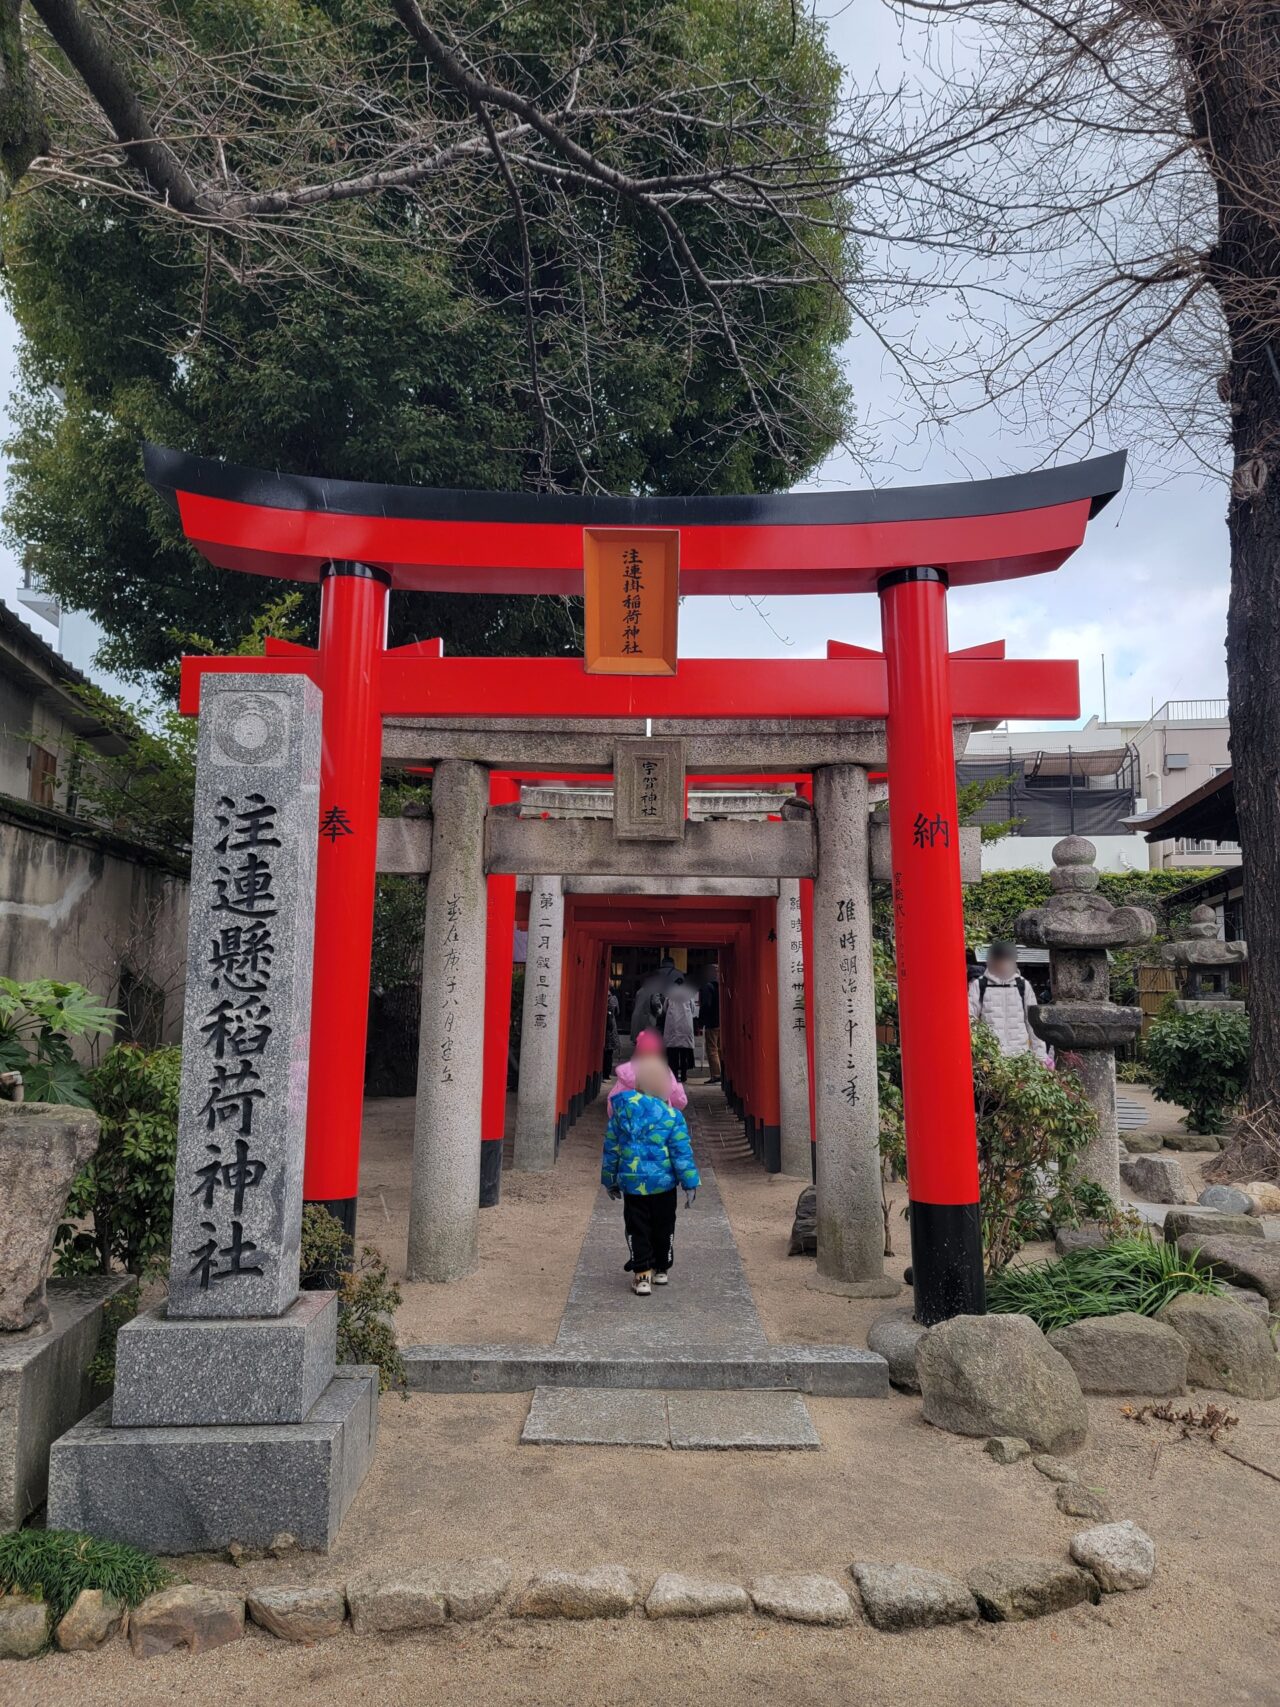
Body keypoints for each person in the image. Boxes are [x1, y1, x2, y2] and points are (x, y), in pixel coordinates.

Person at [602, 1052, 700, 1296]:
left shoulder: (621, 1113)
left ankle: (641, 1273)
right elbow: (681, 1154)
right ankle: (661, 1269)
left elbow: (611, 1150)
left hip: (634, 1185)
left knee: (637, 1226)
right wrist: (690, 1183)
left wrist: (609, 1179)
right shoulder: (672, 1117)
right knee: (664, 1225)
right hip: (664, 1184)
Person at [969, 940, 1048, 1062]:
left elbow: (1033, 1022)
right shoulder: (979, 985)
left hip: (1020, 1056)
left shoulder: (1023, 985)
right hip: (990, 1058)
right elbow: (970, 1020)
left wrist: (1040, 1056)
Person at [608, 1029, 688, 1111]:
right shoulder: (664, 1070)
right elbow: (679, 1100)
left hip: (631, 1120)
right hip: (661, 1119)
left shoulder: (626, 1071)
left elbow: (613, 1102)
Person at [658, 972, 698, 1084]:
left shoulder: (670, 993)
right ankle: (684, 1075)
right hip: (686, 1026)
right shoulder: (689, 993)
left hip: (672, 1027)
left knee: (673, 1053)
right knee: (684, 1052)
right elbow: (693, 1008)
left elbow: (665, 1008)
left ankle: (674, 1075)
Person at [629, 955, 678, 1042]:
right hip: (647, 1022)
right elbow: (656, 1004)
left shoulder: (640, 991)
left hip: (636, 1022)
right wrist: (661, 1012)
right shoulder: (654, 990)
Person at [699, 963, 722, 1083]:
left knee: (712, 1048)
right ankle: (722, 1072)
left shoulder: (708, 986)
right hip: (721, 1020)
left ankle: (716, 1074)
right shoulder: (721, 985)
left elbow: (706, 1005)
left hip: (711, 1021)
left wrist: (701, 1019)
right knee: (719, 1048)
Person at [603, 987, 620, 1078]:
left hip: (605, 1028)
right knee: (609, 1052)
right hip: (610, 1028)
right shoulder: (613, 998)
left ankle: (605, 1073)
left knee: (606, 1052)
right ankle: (606, 1074)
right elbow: (617, 1012)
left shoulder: (605, 997)